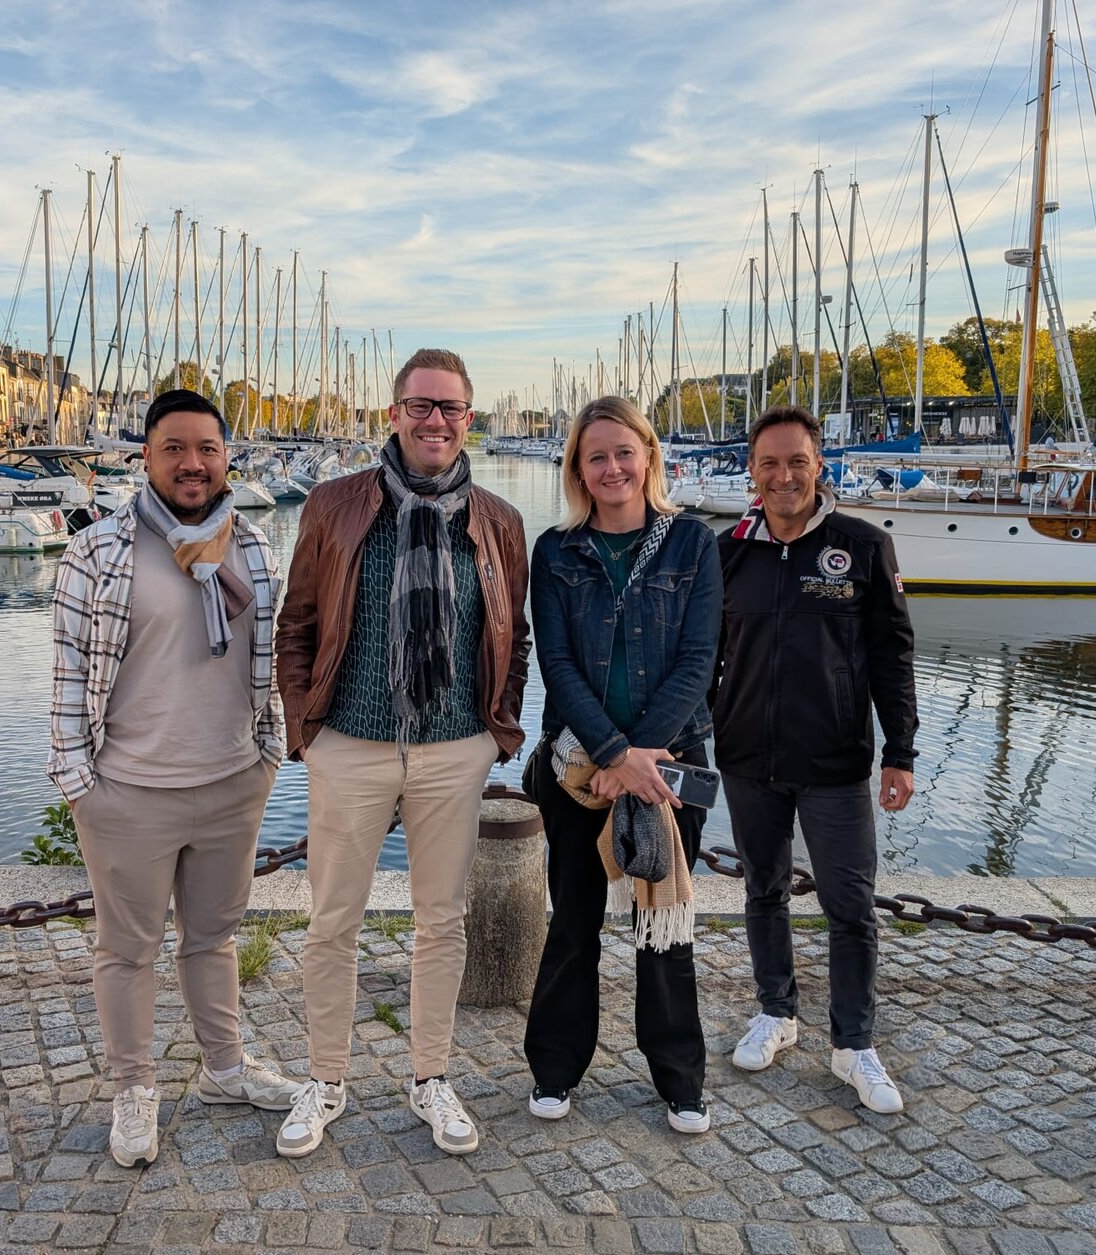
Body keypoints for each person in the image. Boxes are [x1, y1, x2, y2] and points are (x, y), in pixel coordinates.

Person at [275, 348, 530, 1158]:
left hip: (454, 748)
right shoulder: (336, 504)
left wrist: (496, 728)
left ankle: (430, 1077)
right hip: (349, 742)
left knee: (442, 921)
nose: (435, 420)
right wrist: (306, 733)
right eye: (420, 405)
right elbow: (296, 625)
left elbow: (512, 634)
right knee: (332, 921)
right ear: (394, 414)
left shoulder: (497, 520)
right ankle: (326, 1078)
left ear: (469, 419)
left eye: (450, 407)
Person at [48, 388, 299, 1171]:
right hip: (128, 793)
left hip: (232, 782)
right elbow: (68, 674)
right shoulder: (98, 551)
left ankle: (224, 1069)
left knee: (214, 937)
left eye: (207, 449)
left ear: (227, 458)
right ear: (146, 458)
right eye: (174, 449)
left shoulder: (252, 548)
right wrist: (80, 784)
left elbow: (271, 662)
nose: (193, 464)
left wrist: (267, 757)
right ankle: (133, 1088)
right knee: (126, 951)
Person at [523, 397, 721, 1134]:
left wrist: (639, 759)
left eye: (623, 452)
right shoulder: (556, 551)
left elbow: (699, 659)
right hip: (580, 768)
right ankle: (554, 1068)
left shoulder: (692, 544)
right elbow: (557, 661)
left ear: (648, 457)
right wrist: (611, 753)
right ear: (578, 468)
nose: (612, 468)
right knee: (573, 921)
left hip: (671, 764)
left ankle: (679, 1079)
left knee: (663, 921)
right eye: (596, 456)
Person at [715, 405, 918, 1115]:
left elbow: (893, 656)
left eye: (797, 461)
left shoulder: (862, 546)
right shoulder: (726, 551)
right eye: (769, 463)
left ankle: (853, 1043)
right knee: (762, 890)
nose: (784, 476)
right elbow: (702, 657)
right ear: (752, 470)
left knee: (850, 906)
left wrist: (900, 752)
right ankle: (776, 1012)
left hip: (835, 760)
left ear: (818, 466)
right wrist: (692, 735)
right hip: (747, 757)